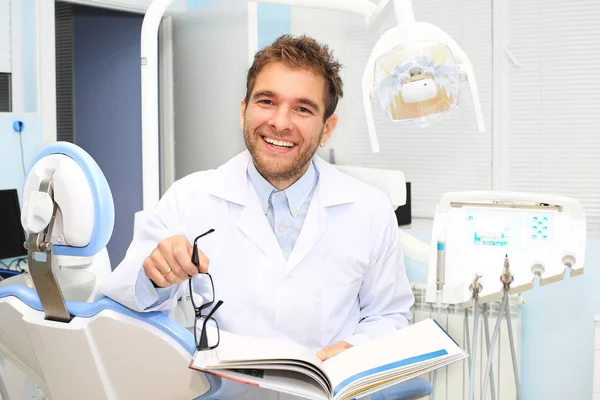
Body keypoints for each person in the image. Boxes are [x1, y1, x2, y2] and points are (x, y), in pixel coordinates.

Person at [98, 34, 415, 399]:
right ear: (243, 111)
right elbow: (120, 305)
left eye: (303, 109)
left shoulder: (370, 210)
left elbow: (390, 316)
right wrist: (152, 276)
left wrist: (359, 353)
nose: (280, 122)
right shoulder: (190, 198)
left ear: (327, 128)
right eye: (267, 101)